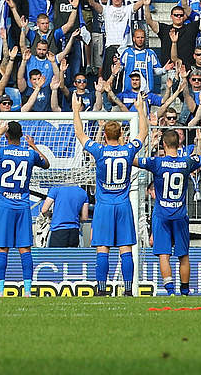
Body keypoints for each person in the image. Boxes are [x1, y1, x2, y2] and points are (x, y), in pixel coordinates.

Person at [72, 95, 143, 296]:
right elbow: (144, 132)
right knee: (125, 249)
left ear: (104, 136)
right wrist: (140, 109)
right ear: (122, 134)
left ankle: (101, 290)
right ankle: (128, 290)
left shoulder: (100, 151)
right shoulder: (128, 150)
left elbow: (79, 133)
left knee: (102, 248)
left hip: (104, 205)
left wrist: (76, 110)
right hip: (123, 204)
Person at [0, 121, 51, 296]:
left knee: (2, 249)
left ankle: (0, 291)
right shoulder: (30, 154)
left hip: (4, 206)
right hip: (22, 205)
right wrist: (34, 146)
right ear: (21, 136)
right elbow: (46, 164)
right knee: (25, 249)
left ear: (6, 136)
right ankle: (28, 291)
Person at [136, 120, 201, 296]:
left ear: (163, 144)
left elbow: (133, 160)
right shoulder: (187, 162)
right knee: (183, 255)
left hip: (162, 214)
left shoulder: (156, 162)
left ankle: (170, 291)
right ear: (179, 143)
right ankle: (184, 291)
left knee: (164, 254)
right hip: (179, 214)